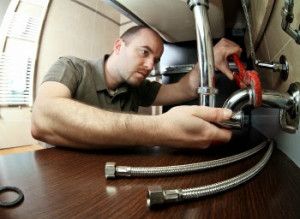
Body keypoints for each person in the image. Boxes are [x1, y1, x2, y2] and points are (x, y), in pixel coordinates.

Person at [31, 25, 242, 149]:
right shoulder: (72, 68)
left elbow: (184, 89)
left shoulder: (137, 87)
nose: (151, 66)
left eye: (156, 60)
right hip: (61, 177)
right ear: (118, 46)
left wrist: (208, 60)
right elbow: (42, 118)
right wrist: (159, 128)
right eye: (144, 52)